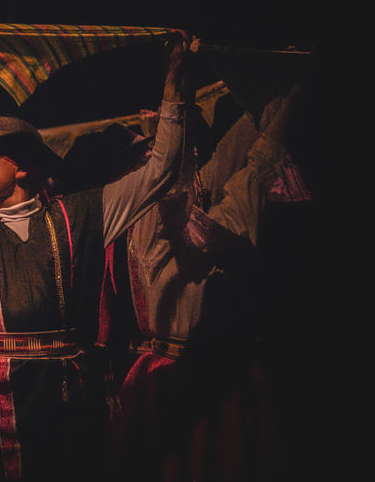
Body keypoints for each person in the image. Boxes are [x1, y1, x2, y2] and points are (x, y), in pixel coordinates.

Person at [0, 22, 193, 481]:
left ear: (22, 166)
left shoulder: (84, 214)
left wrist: (175, 81)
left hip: (67, 405)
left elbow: (162, 169)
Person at [110, 85, 302, 481]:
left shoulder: (209, 207)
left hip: (214, 371)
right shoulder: (149, 211)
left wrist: (284, 90)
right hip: (166, 371)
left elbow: (249, 159)